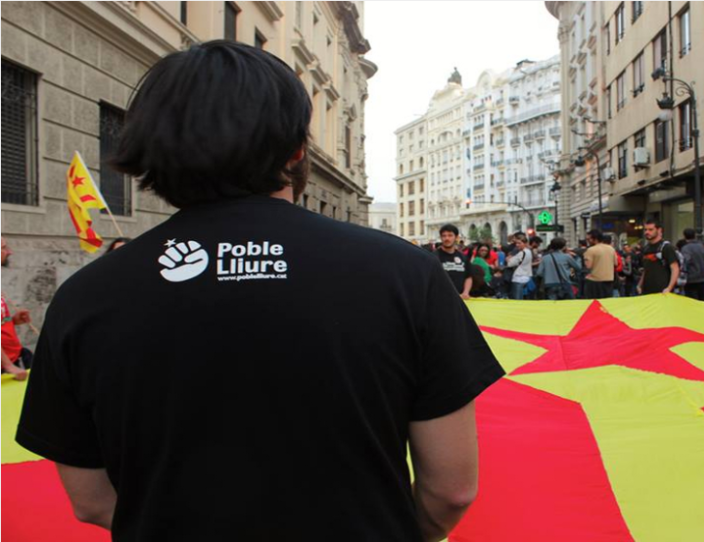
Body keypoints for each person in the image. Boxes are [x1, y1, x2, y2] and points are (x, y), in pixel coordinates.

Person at [15, 41, 504, 542]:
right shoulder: (405, 273)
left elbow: (90, 500)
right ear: (296, 151)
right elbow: (452, 490)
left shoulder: (86, 296)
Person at [1, 237, 31, 381]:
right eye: (3, 248)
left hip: (15, 358)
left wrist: (12, 321)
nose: (9, 252)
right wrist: (8, 366)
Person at [638, 220, 680, 295]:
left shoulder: (667, 247)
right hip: (646, 292)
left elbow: (675, 268)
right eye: (645, 230)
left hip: (662, 292)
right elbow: (646, 269)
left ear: (659, 230)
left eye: (650, 229)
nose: (647, 232)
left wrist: (669, 288)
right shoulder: (645, 248)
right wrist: (639, 285)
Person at [436, 224, 474, 299]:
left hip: (460, 299)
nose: (447, 238)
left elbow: (468, 277)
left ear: (456, 237)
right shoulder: (433, 257)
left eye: (450, 235)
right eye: (444, 236)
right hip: (439, 299)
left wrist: (465, 292)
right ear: (441, 238)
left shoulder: (463, 257)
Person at [679, 228, 704, 302]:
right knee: (702, 301)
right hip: (703, 279)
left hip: (691, 280)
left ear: (684, 236)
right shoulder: (702, 247)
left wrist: (682, 277)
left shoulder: (686, 248)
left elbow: (684, 263)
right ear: (695, 235)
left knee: (692, 303)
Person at [582, 229, 615, 299]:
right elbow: (615, 263)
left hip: (595, 281)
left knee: (594, 304)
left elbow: (588, 266)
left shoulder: (591, 250)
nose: (587, 241)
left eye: (589, 239)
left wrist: (585, 258)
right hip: (609, 280)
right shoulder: (611, 249)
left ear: (595, 239)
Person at [507, 234, 534, 300]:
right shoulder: (528, 251)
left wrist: (508, 259)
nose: (517, 245)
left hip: (519, 278)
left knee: (517, 299)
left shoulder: (522, 253)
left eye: (519, 243)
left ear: (525, 243)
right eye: (516, 243)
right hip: (526, 277)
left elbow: (510, 264)